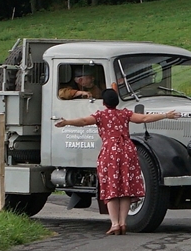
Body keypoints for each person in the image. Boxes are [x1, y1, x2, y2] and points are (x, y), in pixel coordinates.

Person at [55, 89, 181, 235]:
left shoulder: (101, 115)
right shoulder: (125, 114)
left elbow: (83, 121)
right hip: (127, 151)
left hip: (110, 153)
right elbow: (144, 118)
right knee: (125, 186)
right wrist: (166, 115)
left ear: (104, 103)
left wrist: (67, 122)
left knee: (111, 188)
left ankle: (114, 224)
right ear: (117, 102)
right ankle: (123, 222)